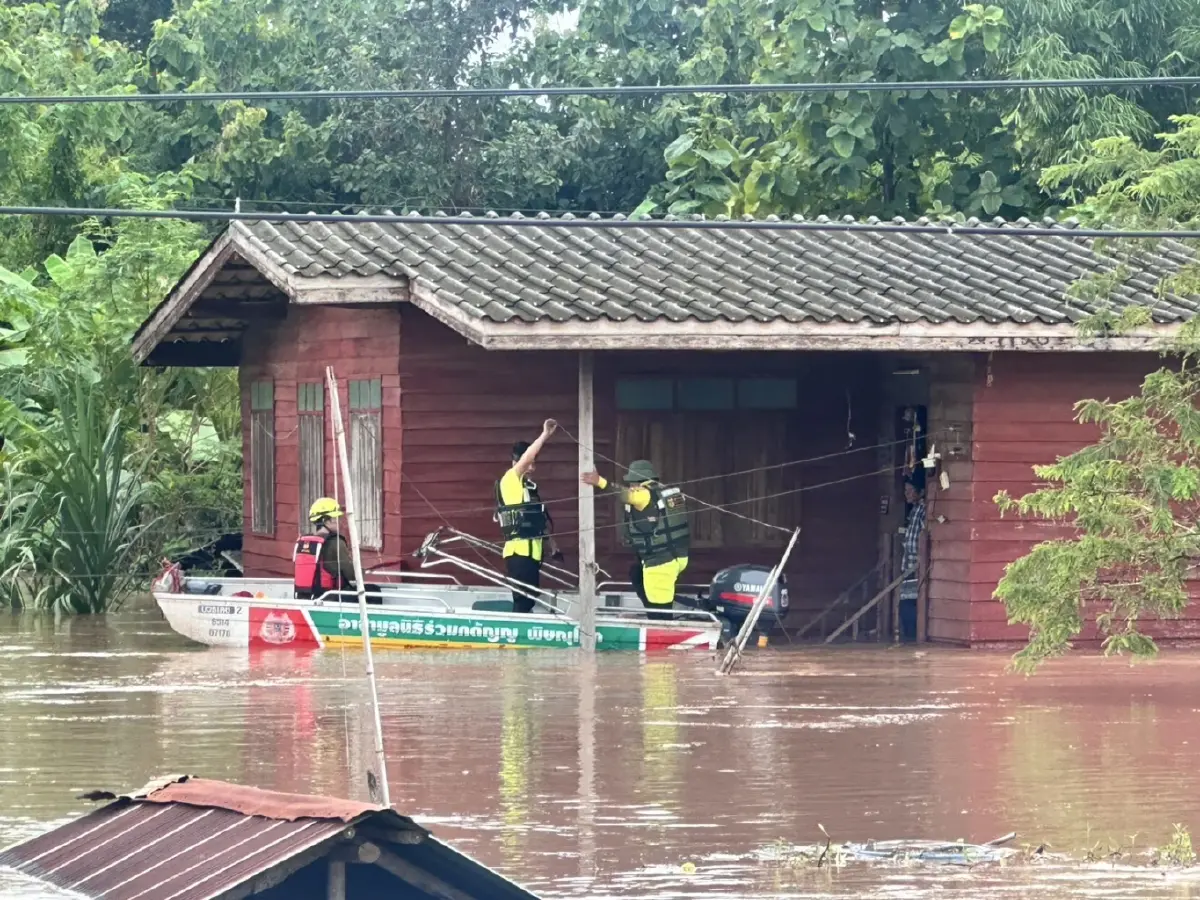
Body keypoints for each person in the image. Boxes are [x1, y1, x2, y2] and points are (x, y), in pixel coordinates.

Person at [580, 459, 689, 621]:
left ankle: (662, 638)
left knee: (661, 613)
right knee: (636, 573)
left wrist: (599, 481)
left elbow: (625, 495)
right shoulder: (664, 493)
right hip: (676, 555)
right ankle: (653, 614)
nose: (630, 486)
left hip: (660, 561)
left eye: (631, 483)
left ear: (638, 481)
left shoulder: (644, 494)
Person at [495, 419, 560, 613]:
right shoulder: (511, 479)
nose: (532, 468)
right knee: (522, 602)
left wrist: (553, 544)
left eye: (534, 464)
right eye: (529, 463)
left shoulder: (529, 488)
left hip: (533, 553)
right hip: (518, 554)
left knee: (530, 600)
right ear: (517, 462)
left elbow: (538, 518)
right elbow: (526, 459)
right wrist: (545, 435)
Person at [293, 497, 381, 603]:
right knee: (374, 591)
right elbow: (351, 574)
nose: (338, 522)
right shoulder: (336, 542)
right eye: (335, 518)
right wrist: (362, 571)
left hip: (306, 596)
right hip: (331, 597)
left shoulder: (305, 543)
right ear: (325, 520)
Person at [898, 475, 927, 641]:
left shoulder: (923, 510)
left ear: (921, 492)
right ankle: (908, 639)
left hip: (917, 566)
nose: (907, 494)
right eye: (905, 491)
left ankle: (910, 640)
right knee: (905, 604)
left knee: (909, 606)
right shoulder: (915, 509)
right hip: (908, 565)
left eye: (910, 491)